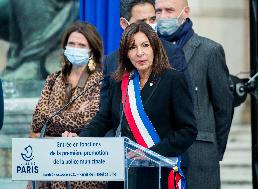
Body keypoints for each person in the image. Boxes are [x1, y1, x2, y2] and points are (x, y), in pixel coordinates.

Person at [63, 22, 197, 189]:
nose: (140, 53)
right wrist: (81, 139)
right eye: (132, 47)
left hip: (159, 174)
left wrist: (151, 153)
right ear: (126, 53)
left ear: (155, 47)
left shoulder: (172, 79)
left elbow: (187, 130)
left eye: (145, 45)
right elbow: (104, 119)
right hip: (123, 174)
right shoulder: (118, 81)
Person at [154, 0, 234, 189]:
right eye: (158, 11)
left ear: (185, 12)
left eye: (169, 10)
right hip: (157, 152)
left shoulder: (209, 50)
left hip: (200, 155)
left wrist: (213, 148)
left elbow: (223, 106)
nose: (163, 16)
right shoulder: (147, 52)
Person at [28, 22, 106, 189]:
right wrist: (74, 115)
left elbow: (88, 121)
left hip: (84, 172)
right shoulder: (53, 79)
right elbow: (37, 121)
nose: (76, 48)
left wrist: (50, 118)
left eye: (81, 45)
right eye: (71, 44)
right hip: (47, 169)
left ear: (92, 50)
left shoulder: (101, 81)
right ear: (64, 47)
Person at [100, 0, 188, 106]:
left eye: (152, 19)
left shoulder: (173, 53)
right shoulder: (111, 61)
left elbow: (184, 103)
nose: (149, 26)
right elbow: (105, 109)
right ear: (124, 24)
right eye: (142, 22)